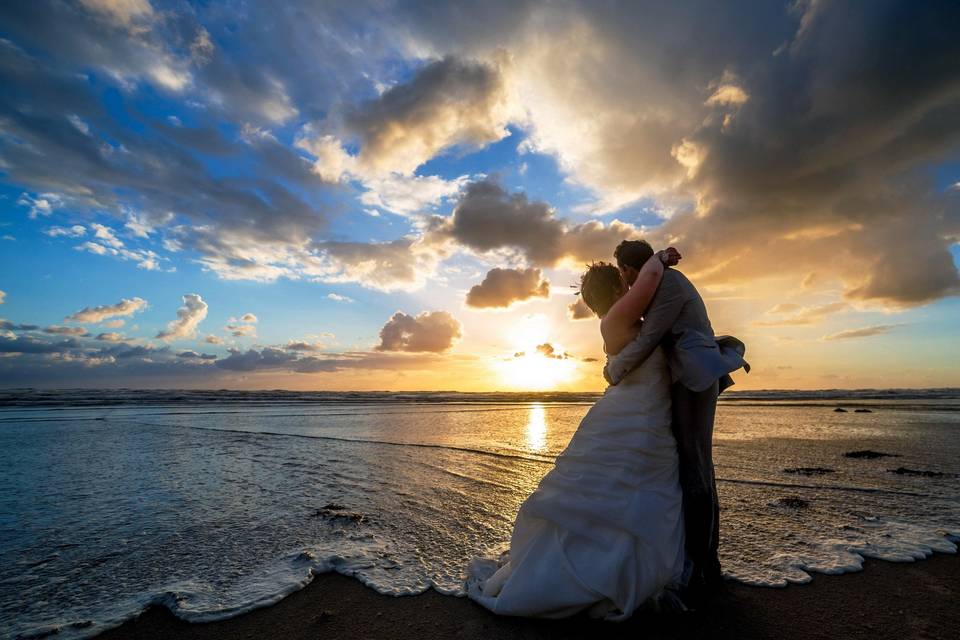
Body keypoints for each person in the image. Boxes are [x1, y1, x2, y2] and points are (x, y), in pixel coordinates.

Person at [466, 249, 687, 620]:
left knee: (628, 498)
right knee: (618, 499)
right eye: (622, 279)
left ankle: (616, 573)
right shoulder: (616, 318)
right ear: (617, 288)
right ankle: (580, 580)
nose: (628, 282)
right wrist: (661, 257)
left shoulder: (627, 318)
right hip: (634, 418)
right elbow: (648, 280)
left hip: (643, 417)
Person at [605, 239, 748, 606]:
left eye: (622, 271)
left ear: (626, 269)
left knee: (696, 468)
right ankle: (703, 561)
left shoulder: (669, 283)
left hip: (694, 377)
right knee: (695, 466)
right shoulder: (662, 280)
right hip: (684, 377)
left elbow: (651, 335)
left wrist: (615, 368)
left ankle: (706, 566)